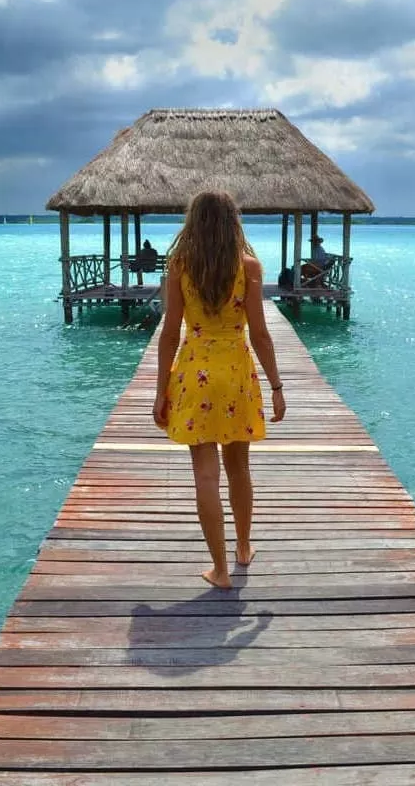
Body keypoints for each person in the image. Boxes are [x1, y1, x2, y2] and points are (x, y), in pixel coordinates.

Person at [152, 191, 286, 589]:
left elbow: (169, 333)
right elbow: (260, 335)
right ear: (233, 223)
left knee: (205, 476)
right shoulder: (249, 267)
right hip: (236, 374)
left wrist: (161, 391)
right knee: (239, 468)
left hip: (195, 374)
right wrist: (277, 386)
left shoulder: (180, 267)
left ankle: (221, 570)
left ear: (193, 224)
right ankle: (243, 548)